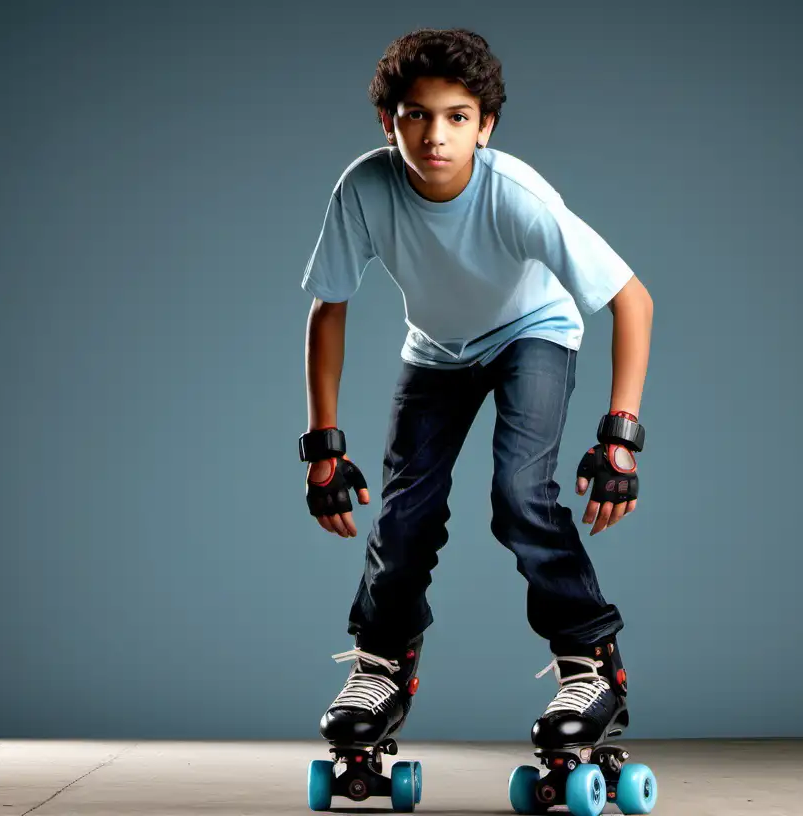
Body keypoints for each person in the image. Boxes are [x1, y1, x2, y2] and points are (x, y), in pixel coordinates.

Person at [297, 26, 654, 777]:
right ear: (388, 122)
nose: (436, 136)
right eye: (417, 116)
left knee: (520, 494)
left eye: (458, 117)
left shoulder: (515, 196)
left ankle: (591, 664)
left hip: (534, 331)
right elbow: (329, 307)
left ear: (485, 126)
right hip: (436, 349)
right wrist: (323, 443)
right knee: (404, 514)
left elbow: (632, 299)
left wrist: (621, 436)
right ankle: (382, 664)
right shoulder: (363, 188)